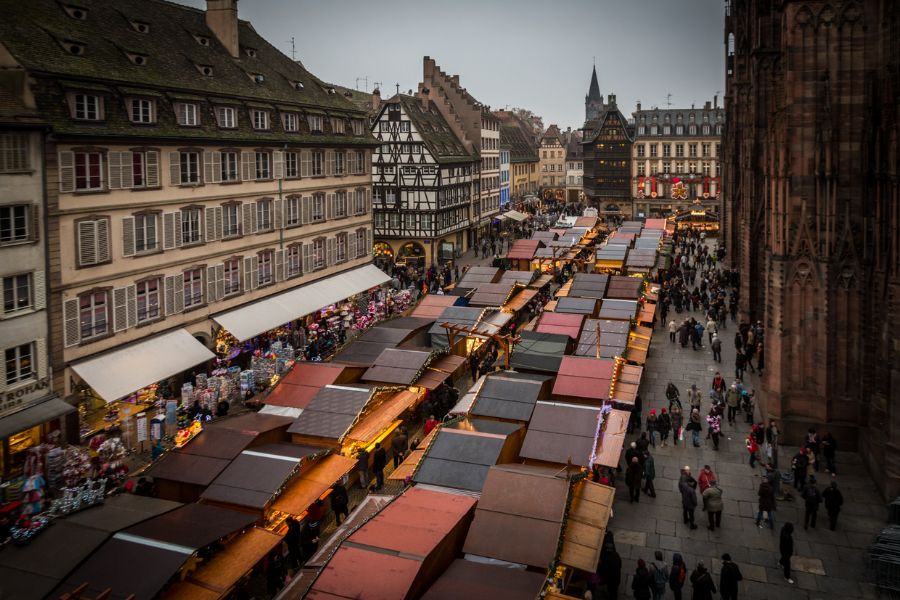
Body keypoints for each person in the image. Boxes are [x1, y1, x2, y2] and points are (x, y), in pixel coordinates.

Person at [598, 534, 622, 600]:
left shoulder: (607, 558)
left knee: (611, 590)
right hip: (616, 578)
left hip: (610, 579)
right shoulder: (616, 554)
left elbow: (605, 569)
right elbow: (620, 564)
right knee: (614, 592)